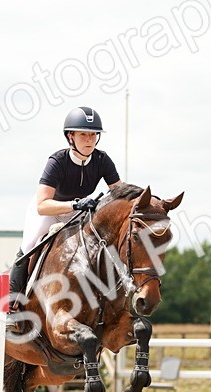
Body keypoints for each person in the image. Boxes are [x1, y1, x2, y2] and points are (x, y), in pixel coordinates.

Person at [8, 106, 124, 315]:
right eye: (83, 135)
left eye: (93, 135)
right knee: (29, 246)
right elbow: (43, 205)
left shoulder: (102, 160)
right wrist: (75, 204)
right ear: (70, 137)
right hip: (48, 211)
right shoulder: (57, 162)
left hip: (78, 213)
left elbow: (120, 191)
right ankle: (14, 305)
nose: (89, 140)